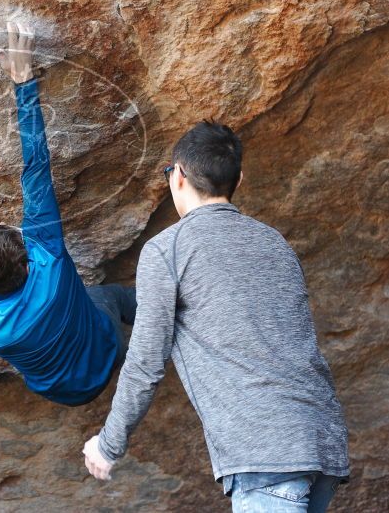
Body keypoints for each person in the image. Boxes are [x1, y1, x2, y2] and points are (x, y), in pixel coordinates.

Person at [81, 120, 350, 512]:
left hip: (265, 455)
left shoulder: (167, 249)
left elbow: (146, 363)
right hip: (322, 441)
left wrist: (108, 445)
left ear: (179, 176)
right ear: (238, 179)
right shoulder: (275, 243)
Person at [0, 22, 136, 407]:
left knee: (78, 308)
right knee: (113, 297)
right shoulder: (49, 260)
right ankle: (168, 326)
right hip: (106, 354)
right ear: (26, 267)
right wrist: (22, 81)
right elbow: (36, 167)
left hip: (59, 393)